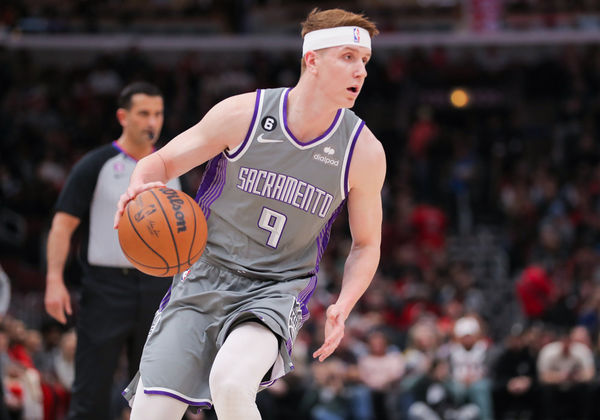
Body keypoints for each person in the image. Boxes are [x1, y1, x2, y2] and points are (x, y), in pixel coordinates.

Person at [114, 8, 385, 420]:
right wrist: (138, 188)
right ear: (312, 60)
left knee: (231, 382)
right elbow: (162, 164)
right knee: (151, 413)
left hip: (277, 288)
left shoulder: (362, 151)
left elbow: (367, 244)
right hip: (204, 272)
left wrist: (344, 304)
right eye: (348, 57)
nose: (360, 71)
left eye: (364, 61)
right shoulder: (244, 114)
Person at [44, 81, 182, 420]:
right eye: (144, 113)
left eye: (158, 113)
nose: (152, 121)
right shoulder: (96, 164)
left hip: (158, 287)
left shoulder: (174, 167)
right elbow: (62, 225)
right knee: (91, 390)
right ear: (123, 116)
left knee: (155, 391)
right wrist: (53, 279)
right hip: (106, 287)